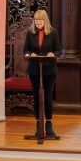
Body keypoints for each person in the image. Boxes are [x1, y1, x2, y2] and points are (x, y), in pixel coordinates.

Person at [24, 9, 61, 138]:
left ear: (45, 21)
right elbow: (26, 50)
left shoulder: (53, 32)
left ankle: (49, 125)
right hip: (34, 70)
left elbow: (58, 51)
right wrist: (29, 54)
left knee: (47, 98)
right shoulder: (30, 33)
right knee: (37, 98)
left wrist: (52, 54)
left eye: (40, 20)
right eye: (36, 20)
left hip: (49, 70)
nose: (38, 22)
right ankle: (38, 125)